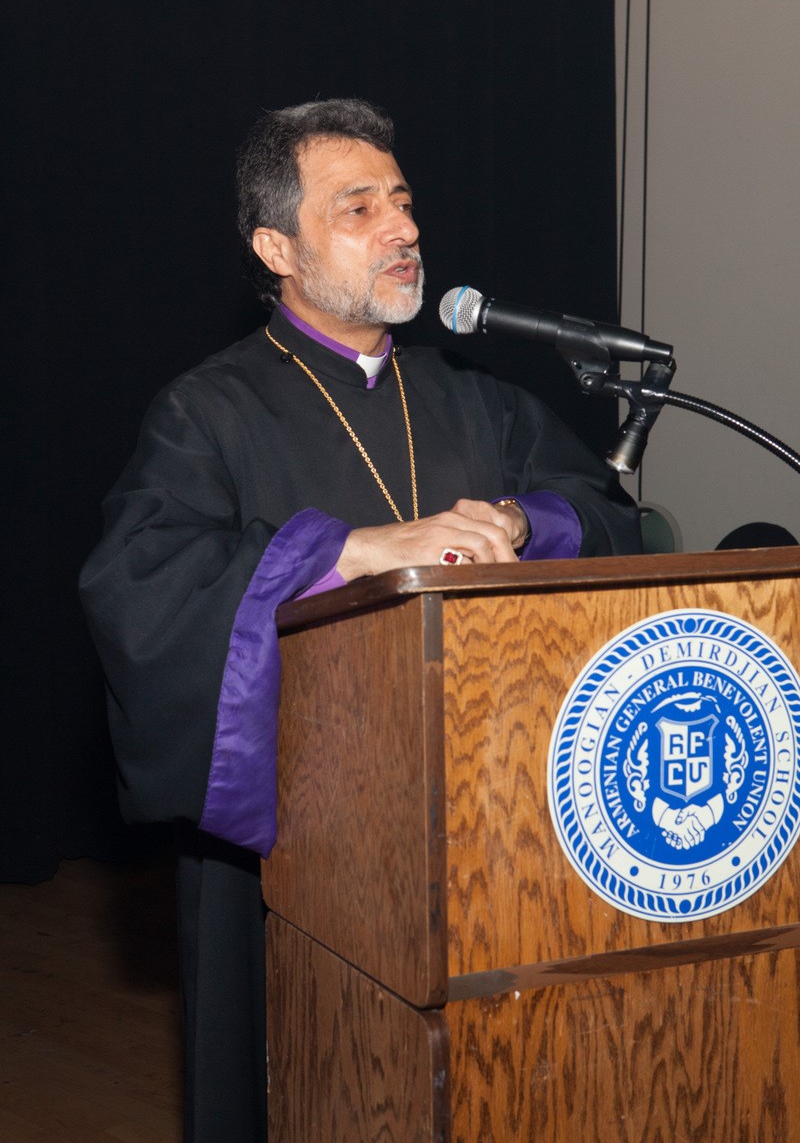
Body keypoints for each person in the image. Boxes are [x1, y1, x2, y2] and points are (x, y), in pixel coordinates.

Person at [80, 98, 641, 1142]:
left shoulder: (472, 396)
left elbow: (611, 514)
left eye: (404, 200)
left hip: (491, 817)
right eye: (359, 207)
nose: (403, 228)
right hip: (300, 838)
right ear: (276, 248)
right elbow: (140, 589)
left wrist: (521, 521)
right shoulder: (207, 410)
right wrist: (347, 550)